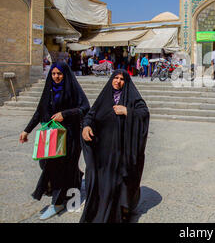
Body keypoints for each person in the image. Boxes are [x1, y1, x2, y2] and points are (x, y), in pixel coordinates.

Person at [19, 62, 90, 220]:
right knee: (45, 163)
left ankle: (57, 203)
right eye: (53, 74)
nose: (56, 77)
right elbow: (40, 111)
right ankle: (75, 179)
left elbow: (85, 107)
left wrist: (65, 114)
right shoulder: (49, 89)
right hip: (51, 136)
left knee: (58, 168)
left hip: (70, 136)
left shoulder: (72, 89)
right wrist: (26, 130)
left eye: (59, 74)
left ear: (65, 74)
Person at [80, 69, 150, 223]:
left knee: (119, 183)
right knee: (103, 182)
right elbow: (90, 115)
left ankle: (120, 211)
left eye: (122, 79)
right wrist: (86, 126)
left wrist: (127, 111)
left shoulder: (132, 97)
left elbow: (144, 113)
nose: (118, 81)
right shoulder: (104, 97)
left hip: (122, 151)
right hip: (103, 151)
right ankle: (102, 209)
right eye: (115, 78)